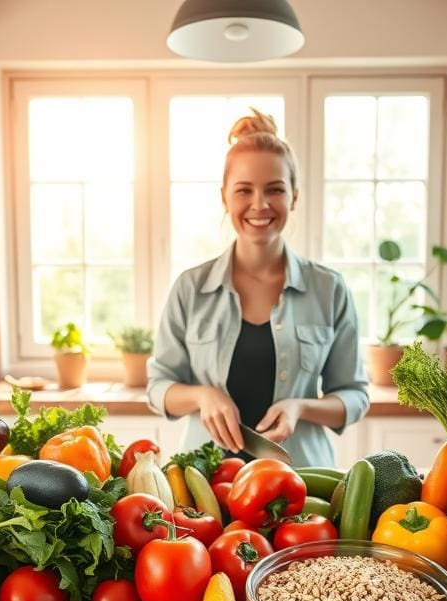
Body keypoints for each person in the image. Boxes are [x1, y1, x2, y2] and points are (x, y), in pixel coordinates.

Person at [146, 108, 369, 467]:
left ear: (294, 196)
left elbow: (355, 396)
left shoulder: (329, 289)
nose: (259, 205)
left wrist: (301, 407)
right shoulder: (191, 288)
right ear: (225, 197)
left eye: (275, 190)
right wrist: (203, 396)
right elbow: (158, 388)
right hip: (204, 487)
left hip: (302, 484)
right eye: (244, 190)